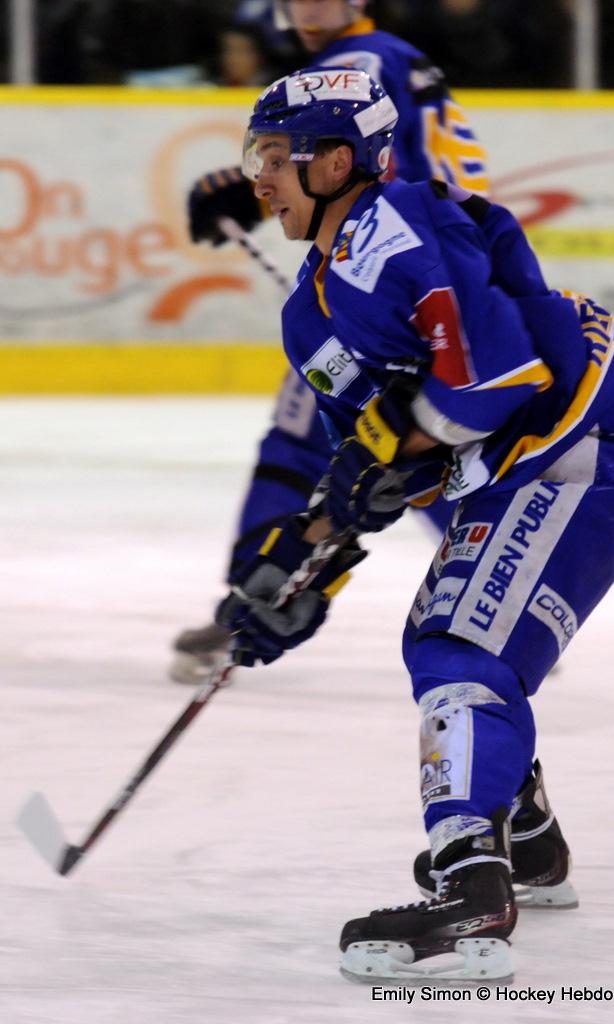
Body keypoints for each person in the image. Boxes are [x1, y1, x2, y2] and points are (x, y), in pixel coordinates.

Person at [212, 70, 614, 983]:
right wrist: (300, 571)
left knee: (460, 647)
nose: (259, 177)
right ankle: (524, 840)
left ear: (336, 162)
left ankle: (472, 890)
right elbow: (374, 469)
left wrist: (390, 444)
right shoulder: (309, 309)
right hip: (514, 469)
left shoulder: (402, 226)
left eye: (276, 156)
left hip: (578, 447)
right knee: (449, 642)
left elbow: (493, 379)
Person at [172, 0, 489, 684]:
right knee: (414, 445)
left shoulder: (355, 63)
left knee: (318, 442)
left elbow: (344, 160)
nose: (309, 8)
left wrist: (245, 191)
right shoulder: (399, 56)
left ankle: (251, 601)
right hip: (429, 271)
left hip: (390, 281)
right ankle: (489, 580)